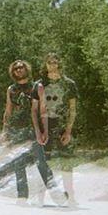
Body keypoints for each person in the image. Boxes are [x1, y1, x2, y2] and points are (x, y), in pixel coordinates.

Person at [2, 60, 66, 205]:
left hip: (33, 130)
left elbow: (43, 110)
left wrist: (45, 131)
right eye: (16, 68)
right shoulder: (11, 89)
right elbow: (8, 111)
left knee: (41, 162)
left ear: (26, 69)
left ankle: (56, 195)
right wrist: (5, 130)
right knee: (18, 164)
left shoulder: (37, 87)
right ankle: (22, 196)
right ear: (13, 72)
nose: (19, 70)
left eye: (21, 67)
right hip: (16, 130)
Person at [32, 52, 78, 204]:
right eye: (49, 62)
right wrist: (38, 131)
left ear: (59, 64)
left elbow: (72, 109)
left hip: (62, 126)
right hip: (45, 126)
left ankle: (71, 197)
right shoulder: (39, 85)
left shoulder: (68, 84)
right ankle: (40, 198)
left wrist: (69, 130)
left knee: (66, 162)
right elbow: (34, 110)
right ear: (45, 64)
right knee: (43, 163)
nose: (52, 65)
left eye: (55, 62)